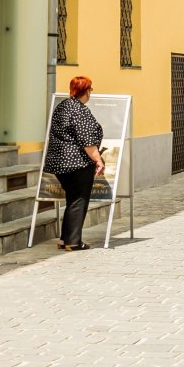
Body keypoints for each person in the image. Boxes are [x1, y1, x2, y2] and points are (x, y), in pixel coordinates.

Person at [45, 76, 105, 251]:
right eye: (90, 89)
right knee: (79, 199)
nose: (91, 93)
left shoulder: (63, 106)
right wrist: (98, 160)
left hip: (58, 163)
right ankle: (74, 242)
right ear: (85, 91)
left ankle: (65, 239)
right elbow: (87, 141)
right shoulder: (79, 110)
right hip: (77, 163)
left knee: (72, 199)